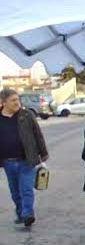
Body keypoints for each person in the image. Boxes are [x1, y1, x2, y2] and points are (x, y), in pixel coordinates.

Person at [0, 88, 48, 227]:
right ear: (3, 102)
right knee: (15, 191)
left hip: (27, 160)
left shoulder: (26, 115)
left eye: (17, 99)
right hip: (8, 162)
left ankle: (28, 214)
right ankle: (21, 213)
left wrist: (43, 153)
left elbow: (38, 134)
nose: (17, 103)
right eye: (13, 100)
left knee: (26, 189)